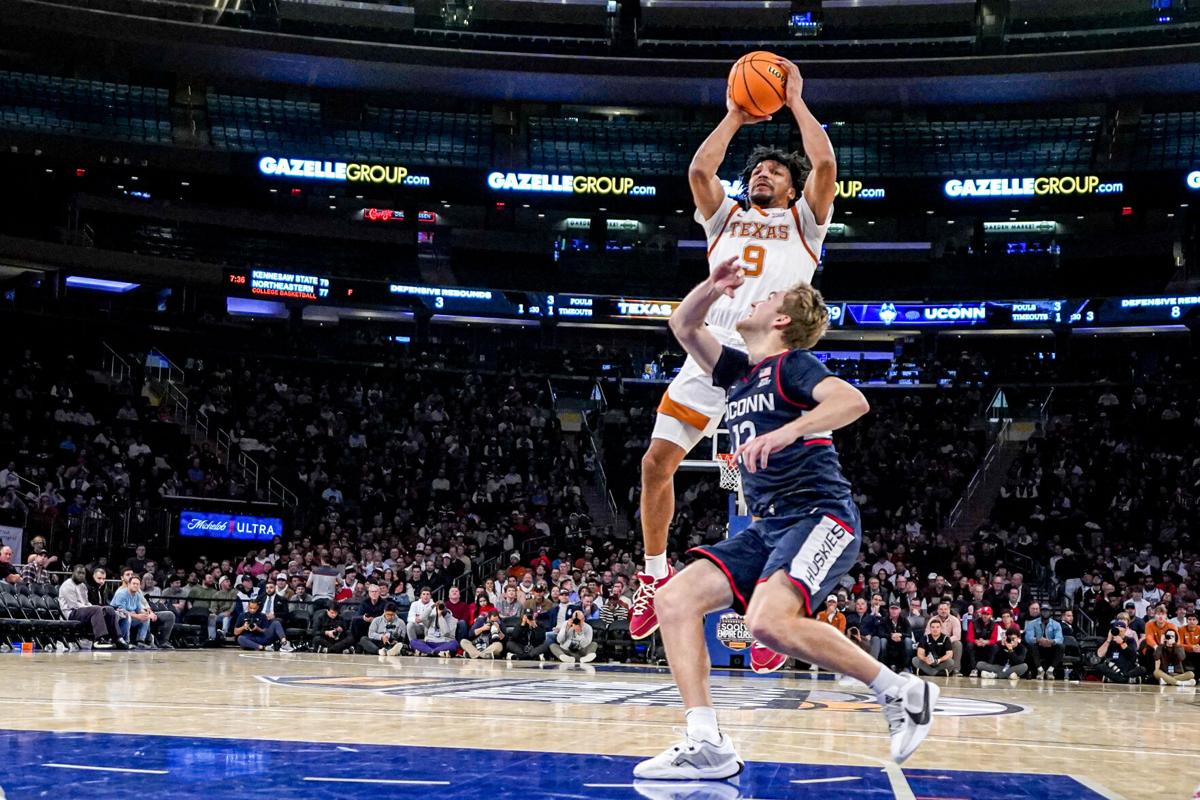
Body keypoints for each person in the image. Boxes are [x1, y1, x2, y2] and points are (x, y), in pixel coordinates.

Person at [635, 256, 937, 782]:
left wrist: (789, 431)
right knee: (673, 598)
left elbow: (852, 400)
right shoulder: (737, 373)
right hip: (767, 525)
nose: (755, 297)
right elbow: (683, 325)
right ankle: (706, 741)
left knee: (768, 624)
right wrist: (712, 286)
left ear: (781, 321)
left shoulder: (792, 366)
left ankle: (905, 691)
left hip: (819, 514)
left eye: (767, 298)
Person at [630, 55, 837, 643]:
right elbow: (700, 169)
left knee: (777, 490)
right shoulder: (726, 217)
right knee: (654, 463)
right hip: (711, 347)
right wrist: (734, 116)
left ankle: (778, 609)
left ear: (793, 188)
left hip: (770, 354)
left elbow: (823, 161)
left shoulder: (806, 222)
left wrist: (793, 100)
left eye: (775, 170)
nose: (764, 175)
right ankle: (653, 575)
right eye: (759, 170)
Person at [58, 565, 121, 649]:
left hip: (82, 611)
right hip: (71, 613)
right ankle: (99, 639)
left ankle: (117, 638)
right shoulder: (67, 585)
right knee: (96, 609)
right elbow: (74, 605)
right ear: (73, 573)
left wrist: (96, 607)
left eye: (83, 573)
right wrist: (93, 608)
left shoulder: (83, 586)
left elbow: (86, 603)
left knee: (108, 609)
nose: (81, 575)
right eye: (79, 573)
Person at [1023, 603, 1063, 680]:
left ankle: (1050, 670)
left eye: (1047, 611)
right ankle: (1040, 670)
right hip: (1038, 647)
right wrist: (1039, 640)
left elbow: (1060, 638)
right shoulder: (1032, 623)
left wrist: (1052, 641)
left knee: (1061, 646)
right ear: (1040, 612)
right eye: (1043, 611)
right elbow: (1028, 638)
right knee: (1031, 645)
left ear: (1050, 612)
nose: (1045, 613)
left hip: (1051, 648)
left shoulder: (1056, 624)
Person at [110, 576, 153, 647]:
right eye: (134, 583)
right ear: (129, 584)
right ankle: (125, 641)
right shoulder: (122, 594)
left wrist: (146, 614)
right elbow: (121, 611)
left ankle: (140, 641)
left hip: (131, 616)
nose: (136, 585)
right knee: (127, 617)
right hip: (117, 617)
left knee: (146, 618)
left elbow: (139, 609)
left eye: (137, 584)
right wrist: (137, 616)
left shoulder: (137, 595)